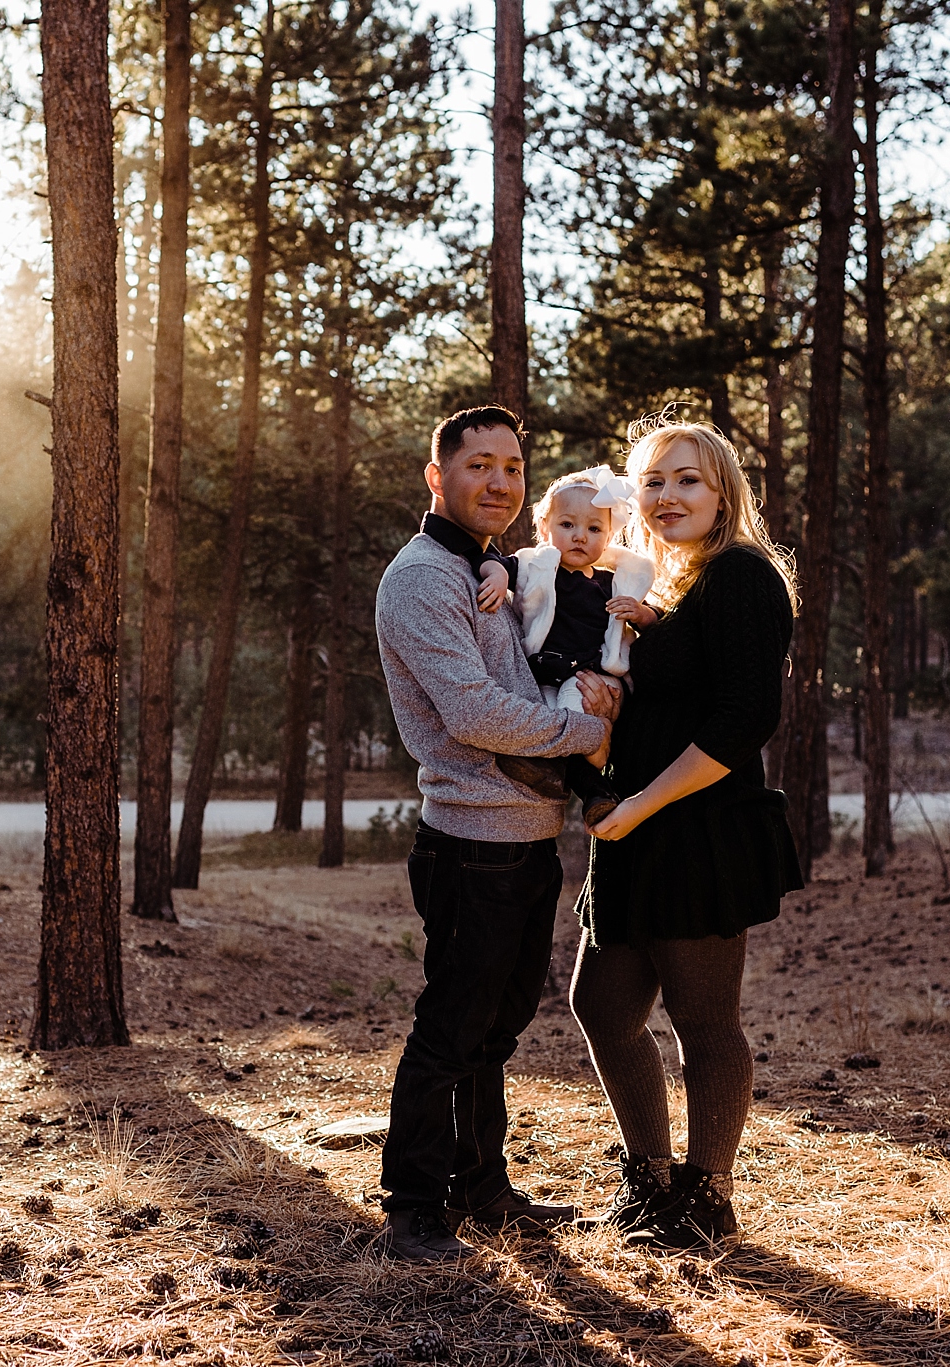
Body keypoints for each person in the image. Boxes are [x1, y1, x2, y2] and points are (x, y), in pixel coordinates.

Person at [371, 405, 621, 1263]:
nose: (500, 481)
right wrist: (591, 736)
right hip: (471, 840)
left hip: (526, 836)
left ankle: (481, 1187)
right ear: (438, 477)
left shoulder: (486, 566)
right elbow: (474, 711)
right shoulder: (420, 580)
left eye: (513, 467)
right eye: (480, 464)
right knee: (451, 1026)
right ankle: (413, 1209)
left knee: (498, 1024)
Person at [569, 417, 802, 1250]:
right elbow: (666, 698)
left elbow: (745, 720)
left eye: (688, 480)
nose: (668, 496)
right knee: (601, 1004)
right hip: (634, 829)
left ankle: (708, 1197)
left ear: (724, 491)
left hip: (697, 828)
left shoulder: (741, 575)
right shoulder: (663, 586)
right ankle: (649, 1181)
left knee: (705, 1021)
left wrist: (641, 805)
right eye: (655, 482)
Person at [477, 472, 655, 828]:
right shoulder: (536, 567)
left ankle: (595, 775)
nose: (579, 536)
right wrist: (496, 577)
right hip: (543, 670)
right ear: (545, 528)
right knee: (537, 720)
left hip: (586, 674)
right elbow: (494, 561)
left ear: (608, 537)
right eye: (567, 524)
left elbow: (653, 622)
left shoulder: (610, 583)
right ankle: (589, 789)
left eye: (593, 529)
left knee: (573, 714)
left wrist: (641, 613)